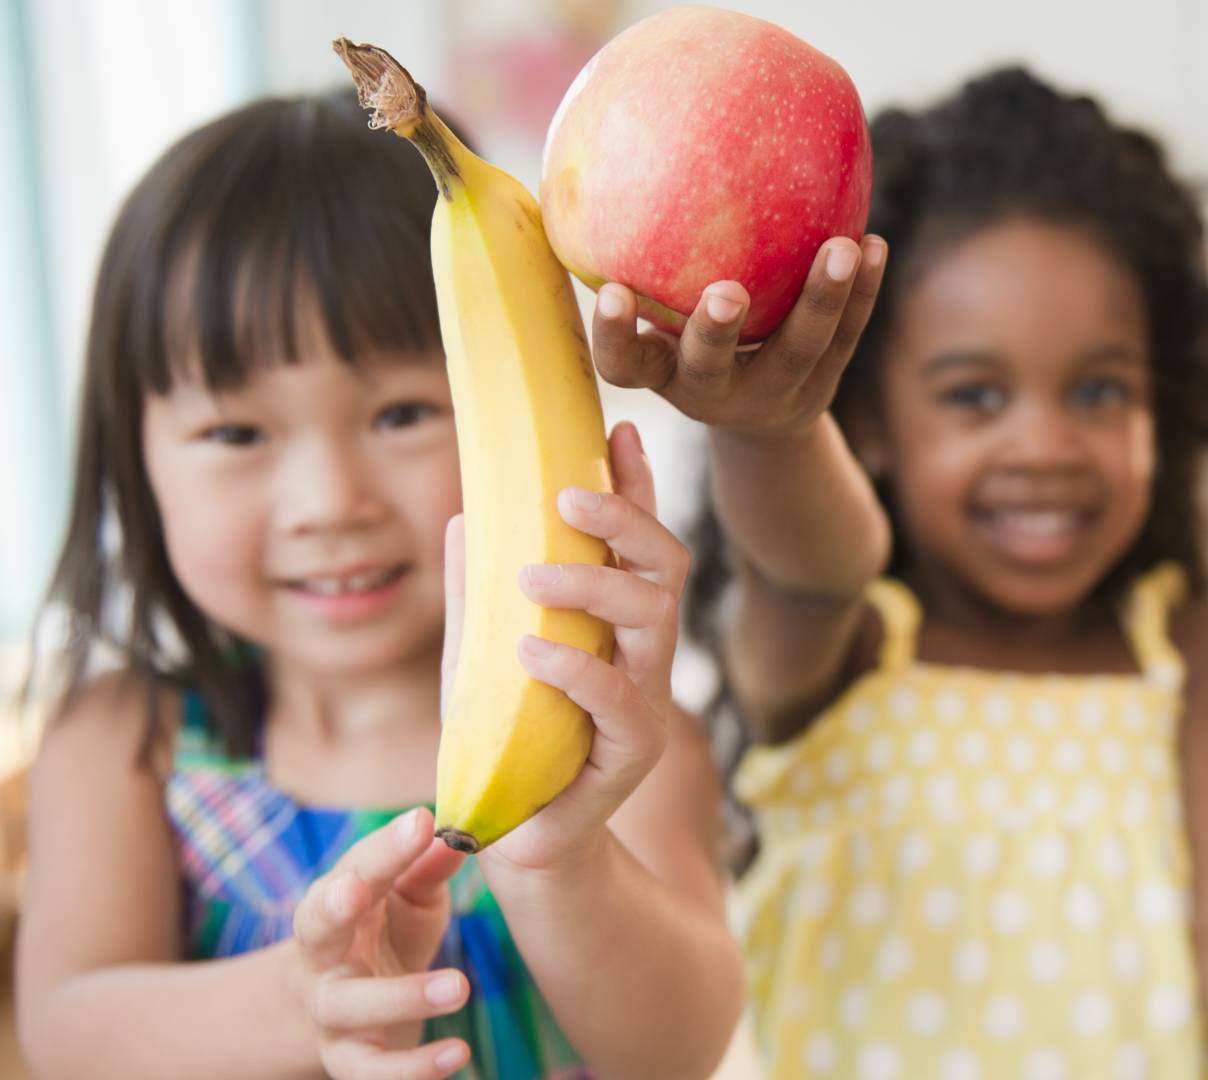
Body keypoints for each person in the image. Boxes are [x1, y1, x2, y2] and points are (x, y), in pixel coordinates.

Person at [589, 66, 1208, 1079]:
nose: (1045, 443)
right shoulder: (846, 638)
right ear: (866, 419)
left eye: (1096, 389)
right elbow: (810, 570)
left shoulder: (1182, 650)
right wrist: (774, 430)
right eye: (974, 396)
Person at [16, 89, 743, 1079]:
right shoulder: (126, 746)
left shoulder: (612, 731)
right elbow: (66, 1037)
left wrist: (557, 858)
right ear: (131, 457)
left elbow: (679, 1051)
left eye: (401, 414)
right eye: (237, 434)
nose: (329, 502)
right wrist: (302, 999)